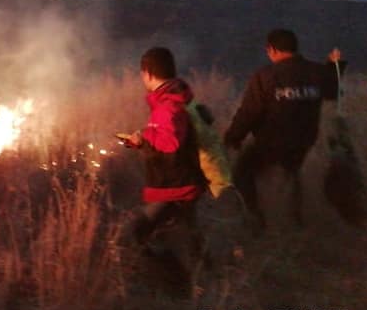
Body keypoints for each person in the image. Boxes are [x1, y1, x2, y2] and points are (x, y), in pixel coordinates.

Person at [223, 29, 343, 229]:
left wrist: (233, 137)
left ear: (272, 49)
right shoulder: (317, 72)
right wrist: (333, 66)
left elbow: (250, 112)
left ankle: (255, 219)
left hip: (270, 143)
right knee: (291, 171)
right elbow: (334, 92)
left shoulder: (266, 76)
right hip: (305, 141)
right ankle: (295, 220)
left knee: (242, 174)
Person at [120, 47, 207, 296]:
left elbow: (170, 143)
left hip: (174, 185)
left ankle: (179, 289)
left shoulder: (167, 106)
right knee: (187, 233)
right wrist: (143, 139)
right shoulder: (178, 95)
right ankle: (207, 276)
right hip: (187, 180)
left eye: (141, 74)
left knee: (134, 234)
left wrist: (143, 138)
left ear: (147, 73)